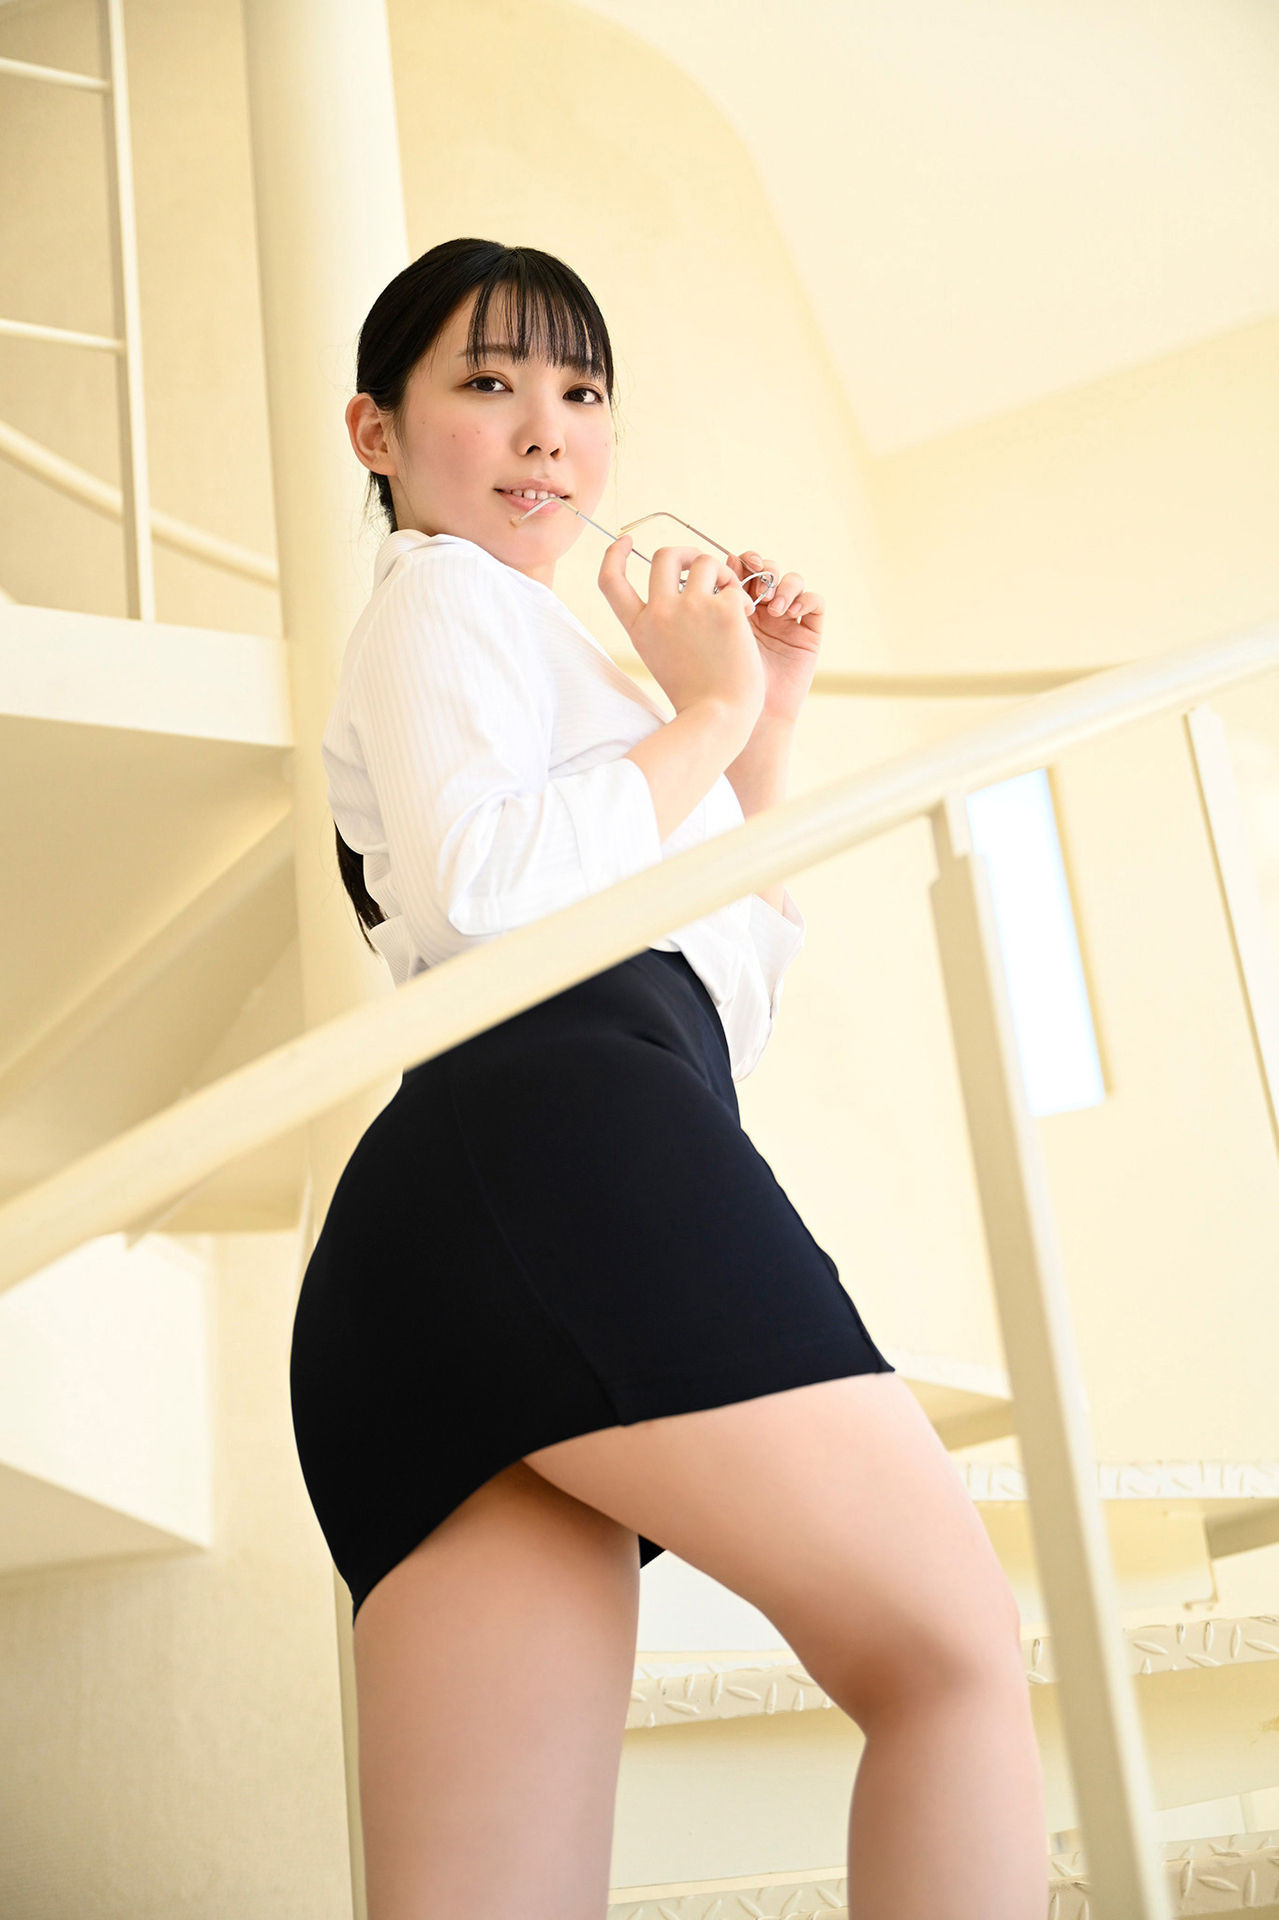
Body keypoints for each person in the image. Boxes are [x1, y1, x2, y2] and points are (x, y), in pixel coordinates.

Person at [288, 238, 1046, 1920]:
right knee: (951, 1665)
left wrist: (753, 726)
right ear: (377, 432)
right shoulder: (441, 595)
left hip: (455, 1238)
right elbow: (487, 896)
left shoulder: (579, 683)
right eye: (488, 382)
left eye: (581, 393)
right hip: (555, 1149)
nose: (545, 429)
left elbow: (716, 1002)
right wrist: (698, 714)